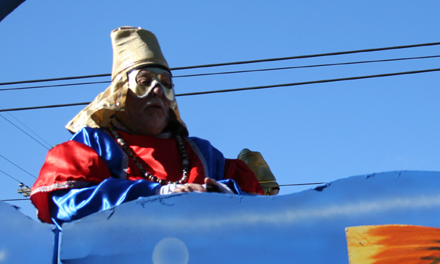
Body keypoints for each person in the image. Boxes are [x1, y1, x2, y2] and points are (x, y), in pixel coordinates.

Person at [30, 27, 275, 224]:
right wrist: (157, 196)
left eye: (165, 83)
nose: (157, 90)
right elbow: (68, 204)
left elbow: (260, 212)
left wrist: (221, 197)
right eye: (144, 82)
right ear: (120, 94)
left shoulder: (203, 153)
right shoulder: (93, 145)